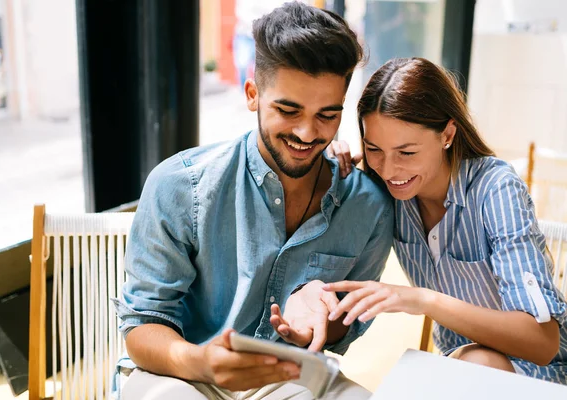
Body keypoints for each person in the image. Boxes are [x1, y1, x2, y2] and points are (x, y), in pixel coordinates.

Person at [113, 3, 394, 399]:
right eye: (287, 109)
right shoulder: (181, 185)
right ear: (252, 94)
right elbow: (143, 325)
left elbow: (346, 322)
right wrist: (201, 361)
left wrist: (319, 322)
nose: (307, 133)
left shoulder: (368, 206)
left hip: (287, 375)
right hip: (182, 371)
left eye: (327, 116)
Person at [326, 57, 567, 384]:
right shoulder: (389, 190)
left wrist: (424, 300)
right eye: (374, 149)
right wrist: (329, 168)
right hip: (461, 370)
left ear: (448, 134)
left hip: (543, 376)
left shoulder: (495, 191)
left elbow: (543, 344)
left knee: (473, 363)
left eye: (406, 153)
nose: (389, 169)